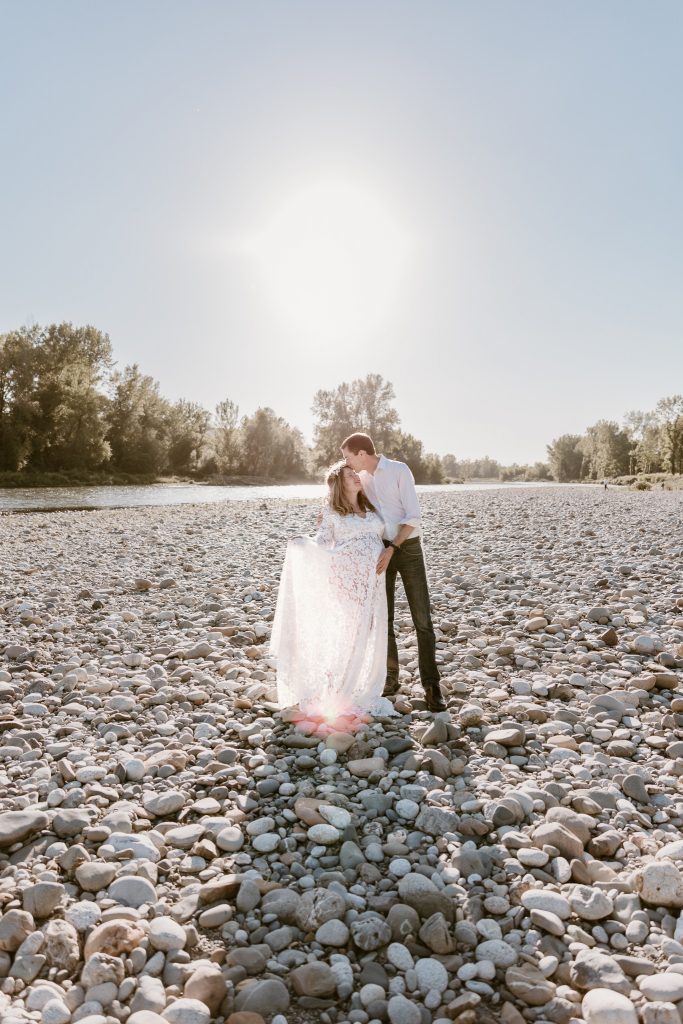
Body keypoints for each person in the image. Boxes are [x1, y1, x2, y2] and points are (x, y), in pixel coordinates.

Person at [270, 461, 396, 720]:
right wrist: (302, 544)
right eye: (350, 476)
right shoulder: (332, 511)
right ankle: (336, 687)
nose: (356, 477)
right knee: (350, 630)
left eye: (355, 474)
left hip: (372, 583)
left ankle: (357, 682)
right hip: (347, 580)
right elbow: (323, 542)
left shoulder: (371, 506)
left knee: (368, 630)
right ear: (340, 483)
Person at [341, 432, 447, 713]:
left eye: (348, 457)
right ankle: (390, 678)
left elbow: (413, 516)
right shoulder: (361, 479)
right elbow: (347, 500)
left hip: (408, 548)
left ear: (361, 453)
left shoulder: (399, 470)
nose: (347, 463)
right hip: (379, 550)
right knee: (383, 619)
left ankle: (432, 686)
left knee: (422, 620)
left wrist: (393, 548)